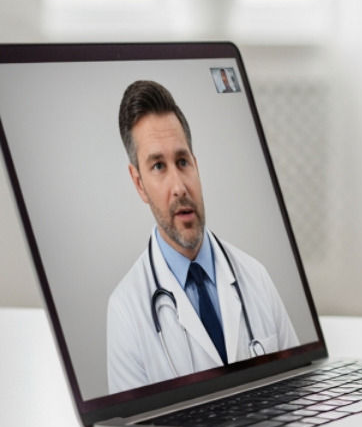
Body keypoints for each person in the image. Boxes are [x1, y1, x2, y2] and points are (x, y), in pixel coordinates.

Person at [106, 79, 299, 394]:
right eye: (158, 166)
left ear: (196, 165)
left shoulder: (255, 277)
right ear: (138, 183)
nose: (179, 186)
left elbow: (297, 395)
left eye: (183, 162)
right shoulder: (126, 311)